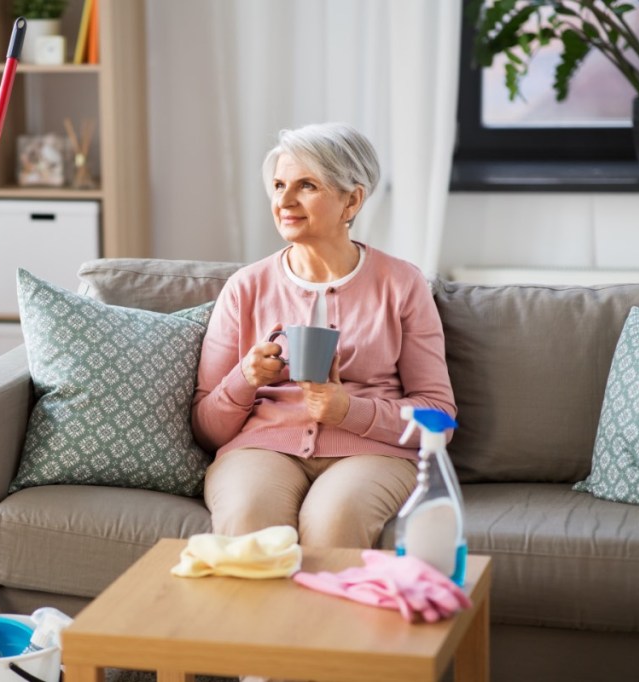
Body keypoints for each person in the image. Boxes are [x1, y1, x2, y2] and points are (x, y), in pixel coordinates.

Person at [192, 123, 456, 551]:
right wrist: (246, 377)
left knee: (335, 521)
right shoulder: (246, 286)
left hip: (373, 453)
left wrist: (347, 410)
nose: (284, 201)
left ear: (351, 199)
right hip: (262, 449)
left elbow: (439, 419)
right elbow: (206, 429)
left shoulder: (402, 284)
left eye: (307, 185)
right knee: (250, 523)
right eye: (279, 185)